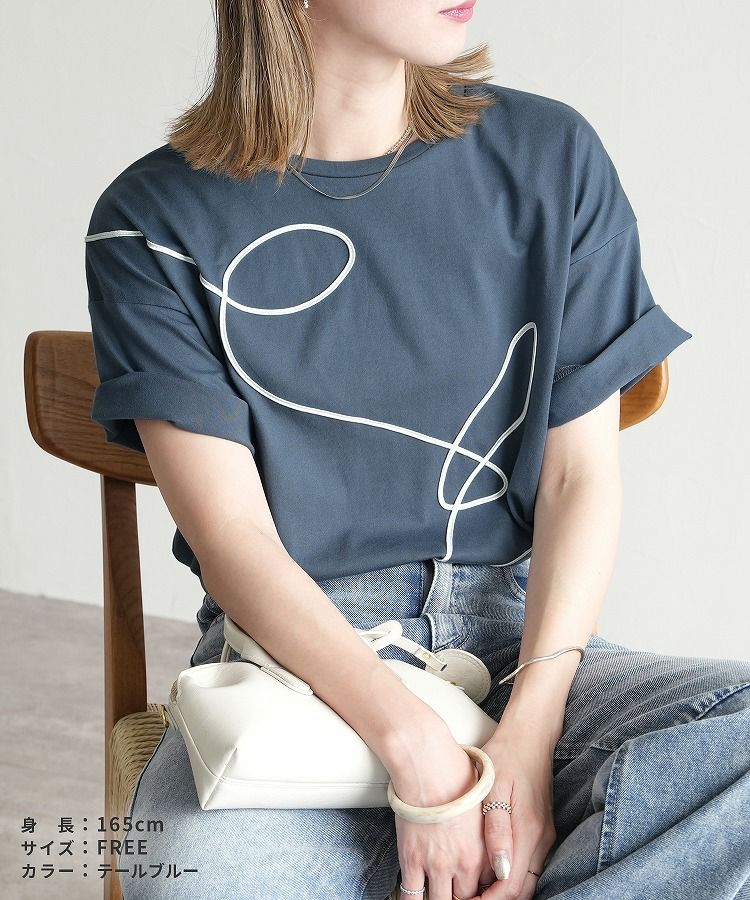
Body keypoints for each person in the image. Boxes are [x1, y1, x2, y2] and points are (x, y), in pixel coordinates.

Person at [84, 2, 750, 899]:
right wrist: (417, 750)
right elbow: (232, 537)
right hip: (296, 667)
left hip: (527, 648)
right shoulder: (150, 220)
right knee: (195, 878)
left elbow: (576, 476)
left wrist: (529, 737)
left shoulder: (550, 156)